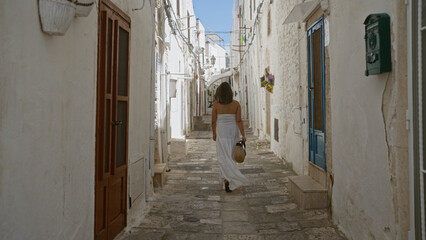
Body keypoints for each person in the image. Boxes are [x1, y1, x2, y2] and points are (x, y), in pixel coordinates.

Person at [212, 82, 249, 193]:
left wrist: (214, 133)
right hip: (232, 132)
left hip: (221, 132)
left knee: (223, 157)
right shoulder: (236, 104)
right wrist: (243, 134)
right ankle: (231, 179)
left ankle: (226, 180)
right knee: (231, 156)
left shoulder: (216, 105)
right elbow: (238, 120)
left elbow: (213, 121)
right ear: (230, 93)